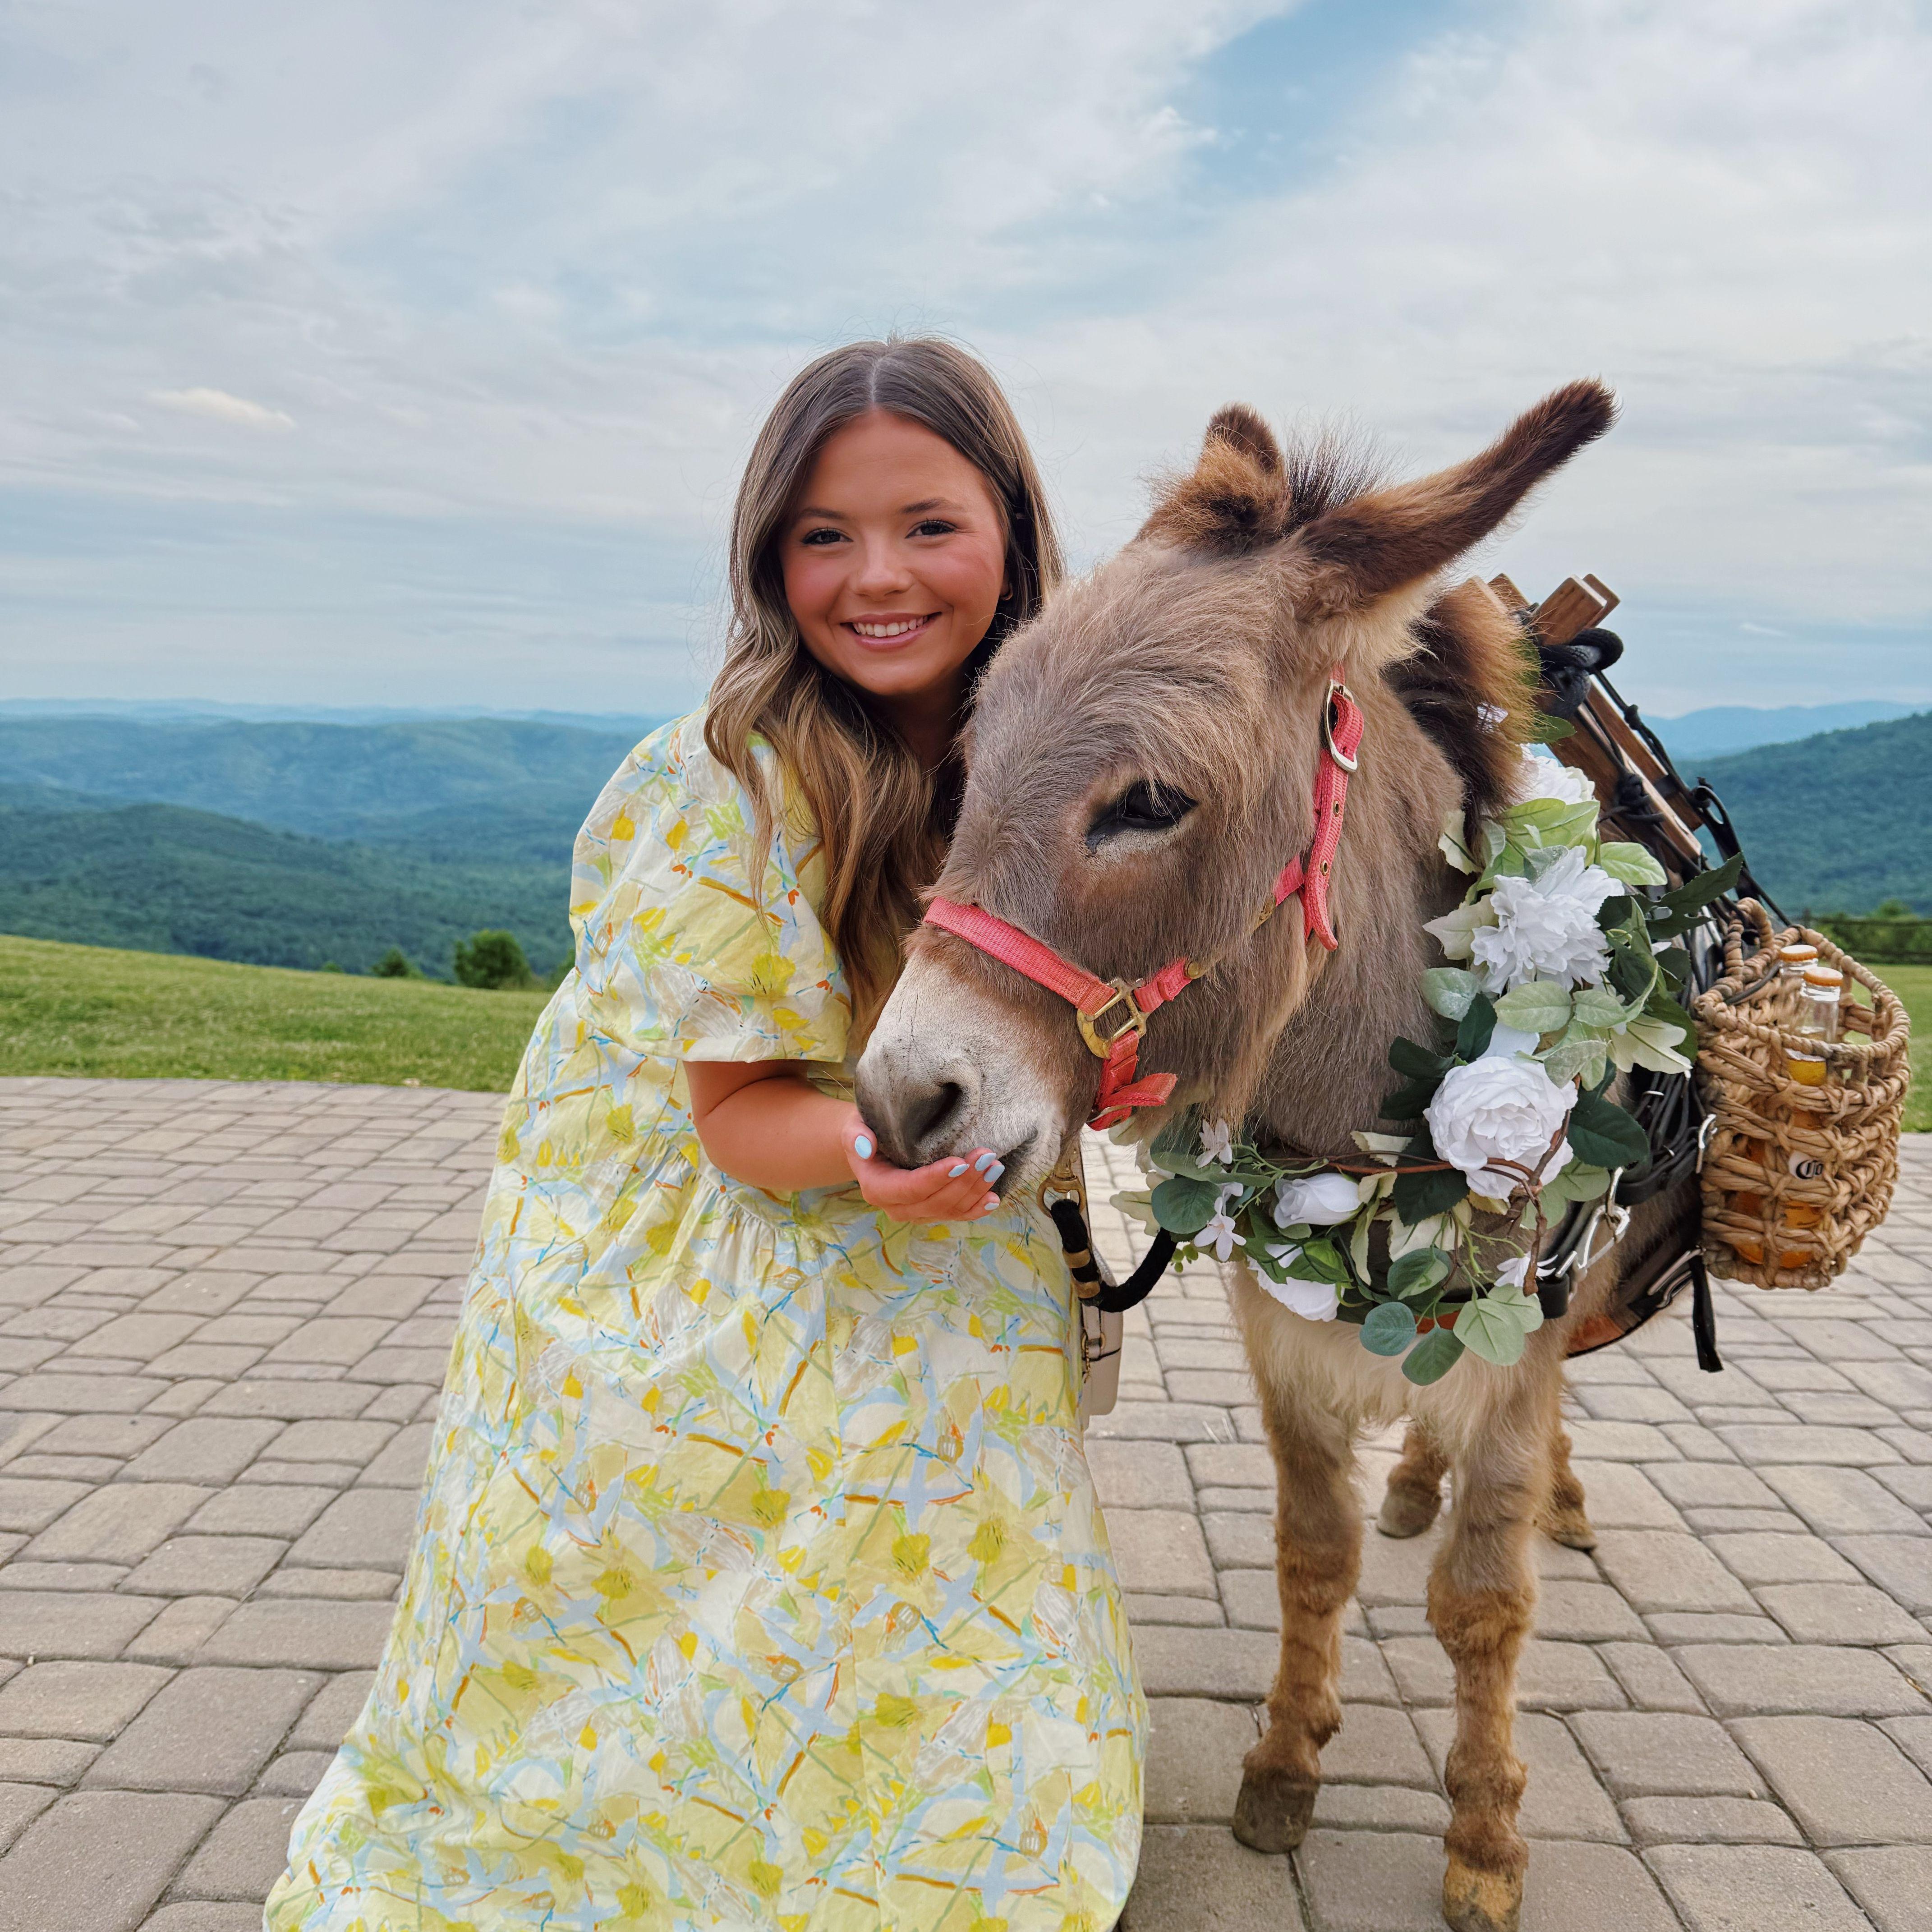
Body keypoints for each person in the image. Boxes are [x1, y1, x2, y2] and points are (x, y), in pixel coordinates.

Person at [265, 337, 1147, 1932]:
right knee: (839, 1427)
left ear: (1013, 529)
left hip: (904, 1156)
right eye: (823, 535)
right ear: (767, 557)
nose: (876, 577)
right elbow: (733, 1114)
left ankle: (917, 1784)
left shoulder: (1053, 753)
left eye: (928, 524)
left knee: (962, 1404)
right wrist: (877, 1163)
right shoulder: (734, 774)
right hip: (696, 1202)